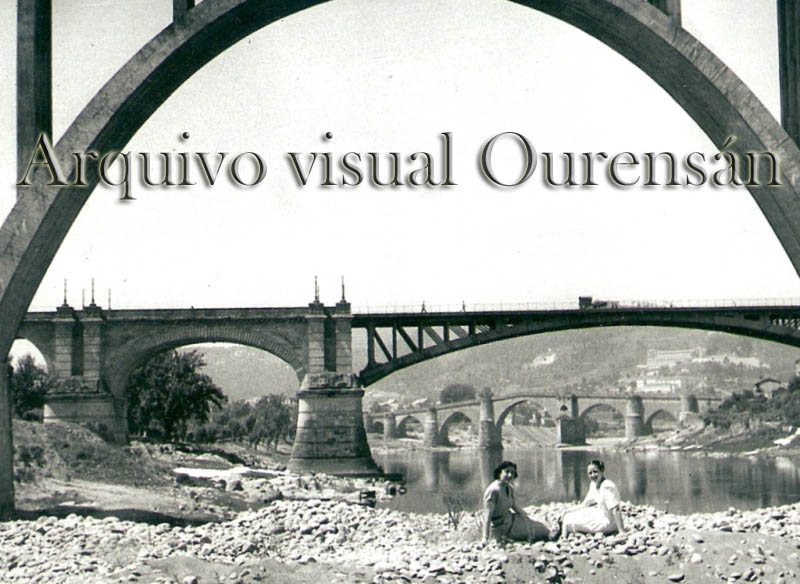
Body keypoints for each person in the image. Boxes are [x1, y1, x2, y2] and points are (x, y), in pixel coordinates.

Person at [481, 461, 553, 545]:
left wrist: (525, 516)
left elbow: (513, 505)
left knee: (537, 525)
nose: (510, 475)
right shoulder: (493, 491)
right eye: (507, 472)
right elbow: (487, 517)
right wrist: (485, 538)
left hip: (510, 519)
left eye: (512, 472)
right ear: (499, 472)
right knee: (541, 531)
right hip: (500, 527)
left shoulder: (509, 487)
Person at [560, 459, 625, 536]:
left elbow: (615, 509)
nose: (593, 475)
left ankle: (563, 538)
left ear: (602, 470)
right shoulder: (593, 485)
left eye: (595, 472)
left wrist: (621, 531)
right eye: (590, 473)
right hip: (601, 514)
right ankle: (562, 533)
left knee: (568, 522)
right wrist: (566, 511)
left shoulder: (607, 486)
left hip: (609, 522)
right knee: (568, 516)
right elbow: (584, 505)